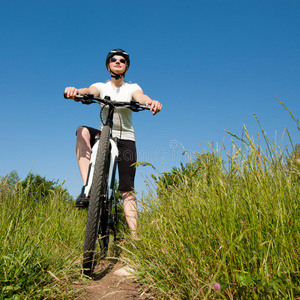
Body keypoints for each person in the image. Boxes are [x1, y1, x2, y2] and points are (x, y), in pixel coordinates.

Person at [64, 49, 162, 236]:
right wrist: (76, 92)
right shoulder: (101, 86)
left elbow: (141, 97)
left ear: (126, 66)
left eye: (122, 60)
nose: (118, 62)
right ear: (108, 65)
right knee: (82, 131)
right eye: (114, 59)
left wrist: (150, 102)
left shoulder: (131, 88)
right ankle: (88, 187)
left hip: (125, 139)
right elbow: (89, 92)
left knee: (127, 190)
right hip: (104, 135)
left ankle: (136, 239)